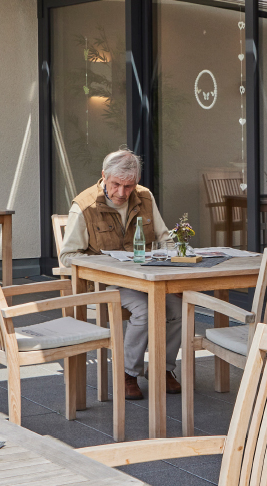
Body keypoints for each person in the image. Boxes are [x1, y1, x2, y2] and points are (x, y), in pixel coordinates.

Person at [59, 148, 182, 401]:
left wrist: (171, 253)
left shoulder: (144, 197)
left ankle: (163, 368)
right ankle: (129, 373)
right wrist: (108, 264)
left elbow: (164, 238)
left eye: (129, 186)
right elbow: (67, 257)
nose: (122, 193)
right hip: (107, 283)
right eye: (116, 185)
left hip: (146, 277)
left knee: (178, 308)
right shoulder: (84, 205)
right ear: (104, 176)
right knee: (145, 310)